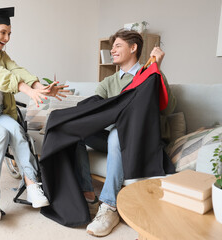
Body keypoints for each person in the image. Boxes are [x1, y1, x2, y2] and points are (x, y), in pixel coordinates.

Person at [0, 7, 68, 221]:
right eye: (3, 32)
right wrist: (28, 91)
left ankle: (32, 185)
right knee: (0, 134)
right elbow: (0, 76)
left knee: (17, 131)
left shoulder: (2, 55)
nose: (7, 38)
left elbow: (17, 71)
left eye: (9, 33)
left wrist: (40, 87)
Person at [74, 29, 176, 237]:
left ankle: (110, 206)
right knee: (76, 131)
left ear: (133, 47)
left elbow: (168, 108)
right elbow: (93, 107)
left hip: (142, 140)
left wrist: (156, 68)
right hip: (114, 138)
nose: (112, 51)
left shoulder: (149, 75)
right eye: (112, 47)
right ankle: (87, 191)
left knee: (116, 134)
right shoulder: (109, 82)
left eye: (117, 46)